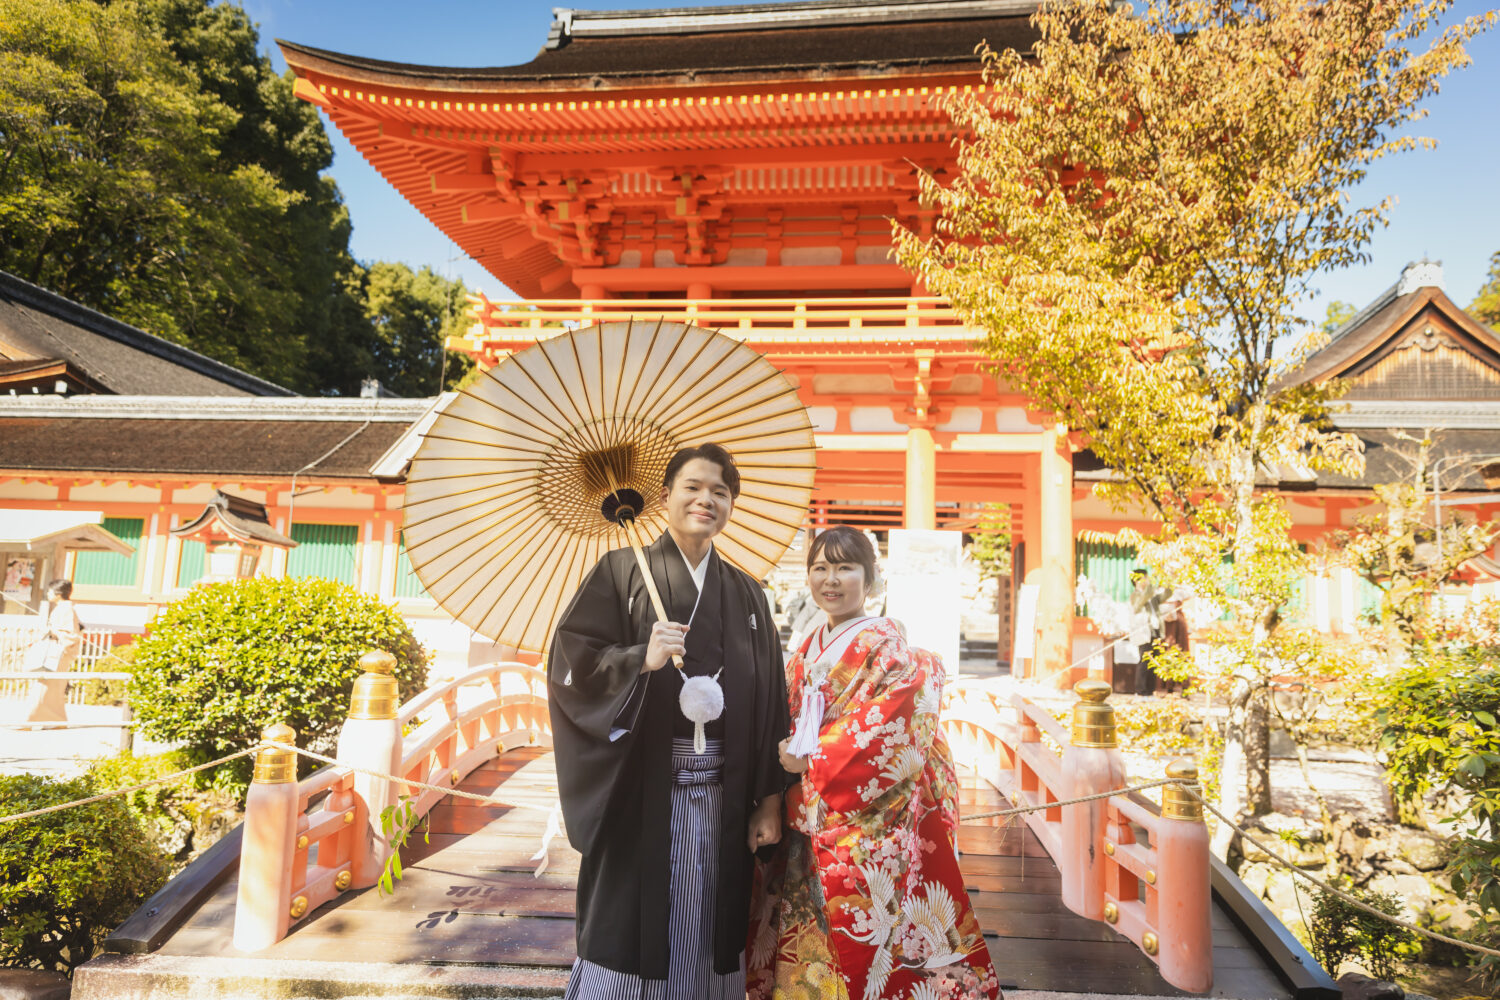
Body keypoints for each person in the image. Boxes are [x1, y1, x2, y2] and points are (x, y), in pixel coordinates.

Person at [548, 443, 790, 1000]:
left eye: (721, 493)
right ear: (664, 496)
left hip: (726, 800)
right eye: (693, 487)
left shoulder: (748, 594)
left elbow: (773, 699)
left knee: (710, 922)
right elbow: (570, 665)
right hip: (641, 794)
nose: (707, 500)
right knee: (634, 929)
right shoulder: (619, 571)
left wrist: (770, 800)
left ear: (731, 506)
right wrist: (639, 659)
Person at [747, 525, 1001, 1000]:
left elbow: (896, 724)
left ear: (871, 578)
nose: (831, 579)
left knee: (865, 934)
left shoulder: (887, 644)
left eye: (845, 567)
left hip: (864, 818)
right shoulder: (808, 644)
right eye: (820, 567)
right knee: (806, 923)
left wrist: (816, 757)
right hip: (809, 810)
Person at [22, 579, 81, 725]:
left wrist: (52, 631)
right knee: (51, 690)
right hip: (56, 653)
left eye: (50, 591)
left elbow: (71, 634)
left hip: (58, 654)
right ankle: (56, 721)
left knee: (44, 687)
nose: (48, 593)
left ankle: (31, 721)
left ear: (59, 593)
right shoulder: (63, 608)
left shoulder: (67, 609)